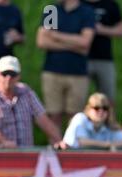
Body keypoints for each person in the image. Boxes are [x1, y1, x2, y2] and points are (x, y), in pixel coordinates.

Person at [0, 56, 65, 149]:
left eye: (12, 74)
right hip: (0, 156)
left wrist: (60, 141)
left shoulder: (26, 92)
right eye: (5, 73)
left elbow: (44, 122)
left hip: (27, 155)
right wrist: (5, 143)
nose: (8, 77)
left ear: (19, 76)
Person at [36, 0, 95, 130]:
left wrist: (55, 35)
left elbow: (85, 42)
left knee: (75, 117)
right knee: (53, 114)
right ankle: (56, 146)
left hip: (78, 73)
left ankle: (72, 148)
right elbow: (42, 41)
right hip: (52, 71)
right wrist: (74, 44)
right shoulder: (51, 10)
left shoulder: (87, 12)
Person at [83, 0, 122, 104]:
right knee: (79, 99)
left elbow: (121, 30)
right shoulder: (78, 4)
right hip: (81, 59)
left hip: (104, 58)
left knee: (108, 100)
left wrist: (101, 29)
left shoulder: (110, 4)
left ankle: (108, 120)